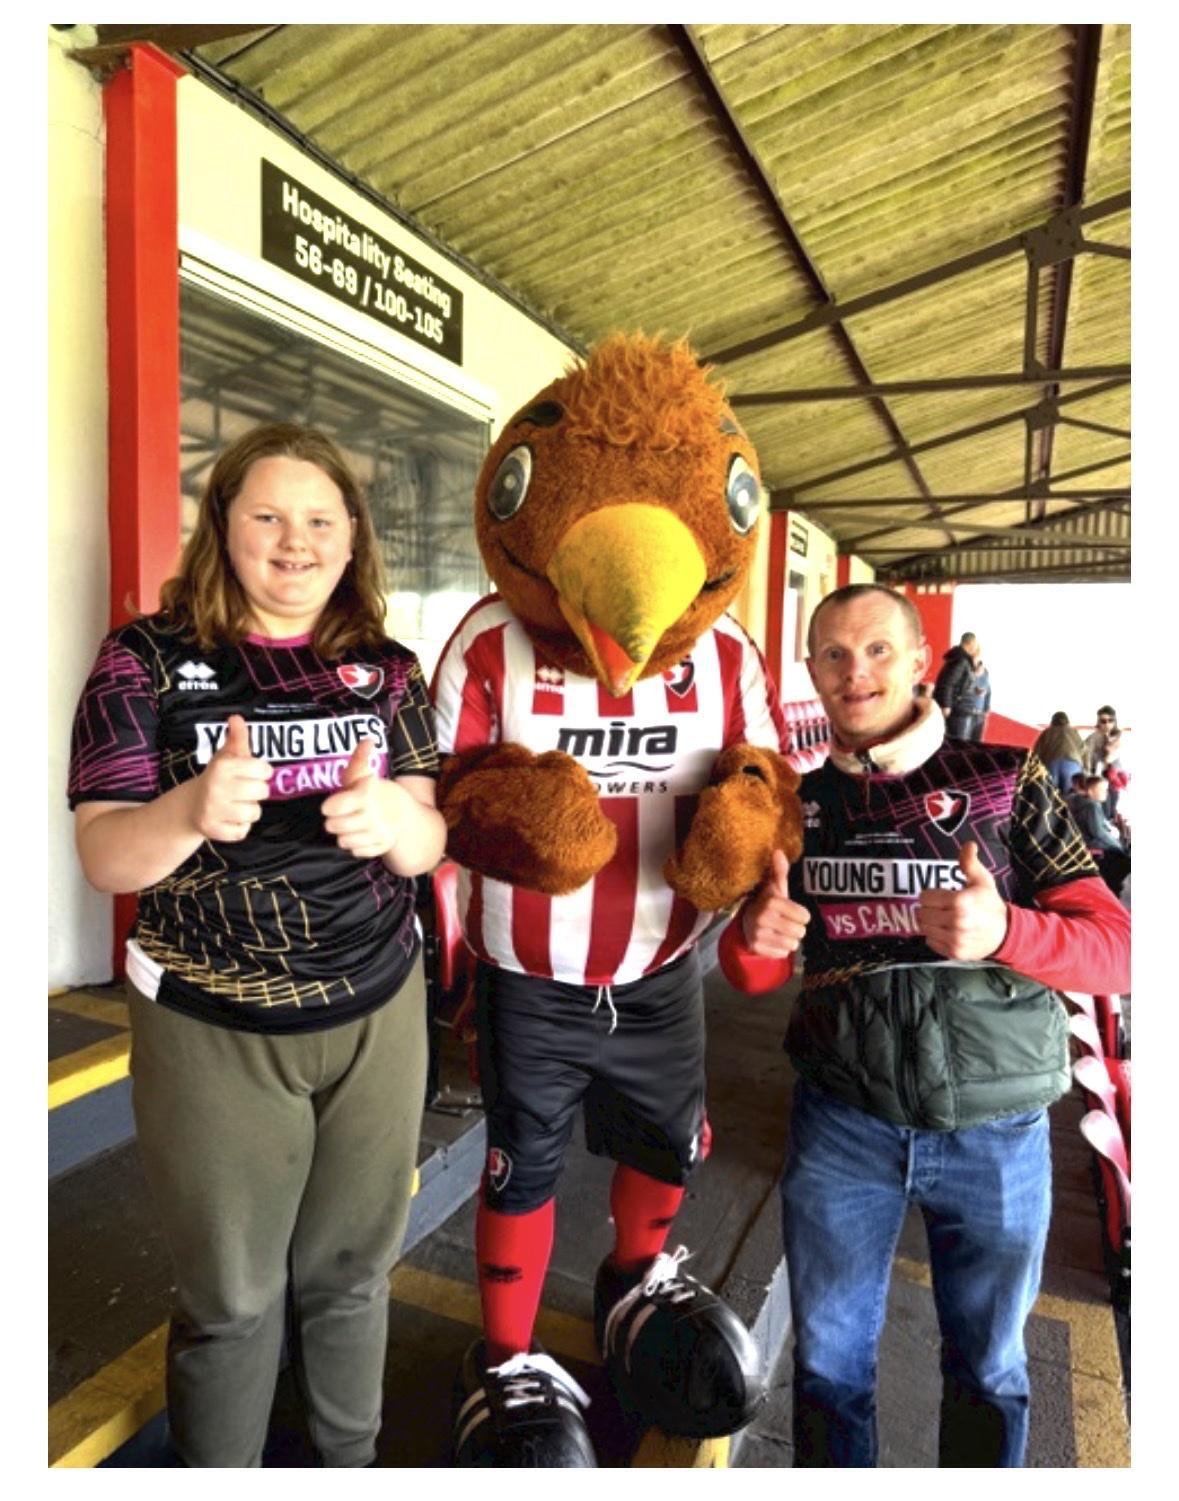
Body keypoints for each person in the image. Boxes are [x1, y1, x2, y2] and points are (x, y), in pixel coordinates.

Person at [68, 423, 447, 1468]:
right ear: (222, 525)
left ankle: (346, 1466)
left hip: (376, 1006)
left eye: (321, 519)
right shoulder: (143, 658)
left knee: (352, 1273)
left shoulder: (388, 668)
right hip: (212, 1018)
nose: (296, 541)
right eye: (268, 516)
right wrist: (188, 809)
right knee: (232, 1299)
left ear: (352, 536)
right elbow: (104, 855)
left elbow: (429, 836)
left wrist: (394, 820)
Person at [719, 583, 1130, 1468]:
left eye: (876, 649)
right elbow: (752, 972)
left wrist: (1006, 931)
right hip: (841, 1123)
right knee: (827, 1369)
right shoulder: (792, 803)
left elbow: (1119, 950)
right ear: (810, 672)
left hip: (997, 1134)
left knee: (990, 1370)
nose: (854, 671)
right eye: (833, 654)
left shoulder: (1006, 779)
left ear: (917, 661)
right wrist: (754, 937)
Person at [1071, 776, 1131, 897]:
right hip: (1092, 844)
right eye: (1102, 790)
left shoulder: (1081, 801)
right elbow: (1098, 832)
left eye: (1106, 789)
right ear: (1090, 791)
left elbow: (1100, 824)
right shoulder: (1092, 806)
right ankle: (1112, 887)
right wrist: (1117, 845)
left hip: (1085, 841)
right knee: (1126, 858)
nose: (1106, 793)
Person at [931, 631, 978, 737]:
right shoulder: (961, 661)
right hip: (957, 710)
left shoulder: (958, 658)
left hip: (959, 708)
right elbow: (947, 682)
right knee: (957, 741)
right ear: (970, 643)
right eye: (975, 644)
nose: (976, 647)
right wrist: (946, 705)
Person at [1031, 711, 1086, 797]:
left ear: (1052, 721)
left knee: (1050, 795)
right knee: (1071, 796)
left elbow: (1037, 751)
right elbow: (1083, 749)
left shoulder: (1046, 732)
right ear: (1067, 721)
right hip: (1072, 764)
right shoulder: (1073, 732)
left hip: (1051, 763)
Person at [967, 654, 991, 741]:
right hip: (967, 712)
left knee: (976, 741)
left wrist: (987, 708)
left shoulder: (985, 675)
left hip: (979, 715)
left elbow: (988, 693)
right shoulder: (967, 671)